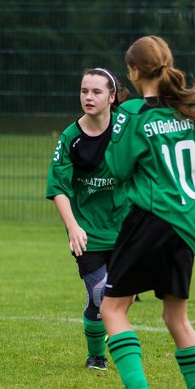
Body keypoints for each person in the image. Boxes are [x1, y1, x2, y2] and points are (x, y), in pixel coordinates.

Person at [100, 35, 195, 389]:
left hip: (151, 218)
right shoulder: (190, 110)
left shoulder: (133, 113)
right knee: (176, 315)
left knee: (112, 308)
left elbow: (118, 169)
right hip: (188, 225)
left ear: (134, 71)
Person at [46, 68, 130, 371]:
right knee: (99, 294)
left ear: (112, 96)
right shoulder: (71, 138)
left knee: (120, 297)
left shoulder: (126, 130)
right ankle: (97, 356)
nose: (89, 97)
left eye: (96, 92)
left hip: (125, 227)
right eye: (84, 91)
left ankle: (109, 336)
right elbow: (58, 187)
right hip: (88, 231)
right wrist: (73, 227)